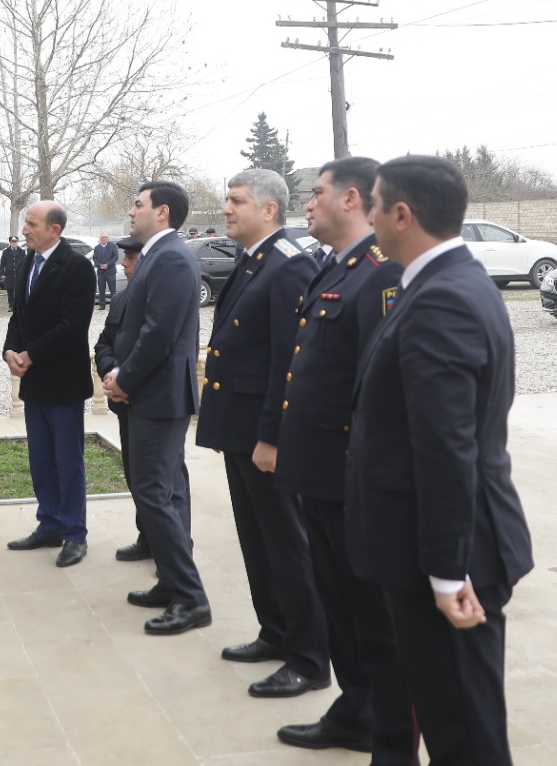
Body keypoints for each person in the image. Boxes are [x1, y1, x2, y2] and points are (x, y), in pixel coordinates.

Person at [347, 155, 533, 766]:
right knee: (458, 720)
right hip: (442, 554)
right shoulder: (441, 282)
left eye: (372, 205)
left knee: (464, 735)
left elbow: (446, 447)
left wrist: (448, 573)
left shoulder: (441, 298)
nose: (367, 217)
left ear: (401, 214)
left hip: (453, 561)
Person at [272, 159, 414, 760]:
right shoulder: (334, 266)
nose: (308, 202)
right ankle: (356, 709)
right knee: (341, 611)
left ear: (352, 199)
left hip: (350, 478)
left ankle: (389, 730)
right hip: (319, 473)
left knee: (372, 619)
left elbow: (380, 390)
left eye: (317, 192)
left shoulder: (379, 276)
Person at [196, 168, 327, 698]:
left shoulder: (288, 266)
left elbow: (287, 363)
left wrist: (271, 436)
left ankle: (310, 656)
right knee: (256, 539)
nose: (226, 209)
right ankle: (275, 632)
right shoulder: (252, 261)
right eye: (227, 199)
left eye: (236, 201)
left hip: (264, 435)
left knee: (287, 544)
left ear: (269, 209)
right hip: (239, 430)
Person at [102, 181, 211, 635]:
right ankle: (170, 581)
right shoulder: (156, 254)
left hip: (157, 395)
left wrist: (124, 378)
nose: (131, 212)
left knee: (152, 491)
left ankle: (191, 598)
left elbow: (158, 334)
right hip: (151, 392)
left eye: (138, 204)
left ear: (162, 212)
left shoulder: (169, 257)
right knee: (160, 489)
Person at [4, 201, 95, 568]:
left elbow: (73, 327)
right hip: (34, 381)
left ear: (54, 230)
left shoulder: (77, 268)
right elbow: (19, 315)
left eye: (31, 223)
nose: (24, 230)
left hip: (62, 382)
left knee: (67, 461)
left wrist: (31, 355)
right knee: (41, 459)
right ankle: (50, 525)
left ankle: (75, 534)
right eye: (26, 223)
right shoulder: (27, 262)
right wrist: (11, 350)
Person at [93, 236, 149, 562]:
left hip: (144, 401)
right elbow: (103, 342)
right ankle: (147, 535)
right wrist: (111, 371)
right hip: (122, 401)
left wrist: (125, 380)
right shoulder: (122, 297)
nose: (124, 264)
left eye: (130, 258)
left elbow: (155, 347)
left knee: (156, 479)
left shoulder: (157, 297)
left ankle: (169, 546)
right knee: (133, 473)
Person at [92, 233, 119, 309]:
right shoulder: (97, 247)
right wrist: (99, 265)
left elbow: (115, 257)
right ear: (100, 238)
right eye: (102, 237)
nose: (104, 238)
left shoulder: (113, 246)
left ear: (108, 238)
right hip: (101, 272)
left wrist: (107, 264)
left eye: (105, 237)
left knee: (112, 289)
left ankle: (114, 305)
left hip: (110, 271)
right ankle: (102, 305)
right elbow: (94, 258)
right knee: (101, 289)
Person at [0, 236, 26, 311]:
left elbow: (25, 263)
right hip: (9, 275)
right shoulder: (5, 252)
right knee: (10, 291)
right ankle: (11, 306)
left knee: (19, 291)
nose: (14, 243)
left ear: (17, 242)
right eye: (12, 242)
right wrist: (2, 274)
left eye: (15, 241)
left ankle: (19, 306)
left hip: (19, 274)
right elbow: (2, 264)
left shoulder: (22, 252)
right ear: (10, 243)